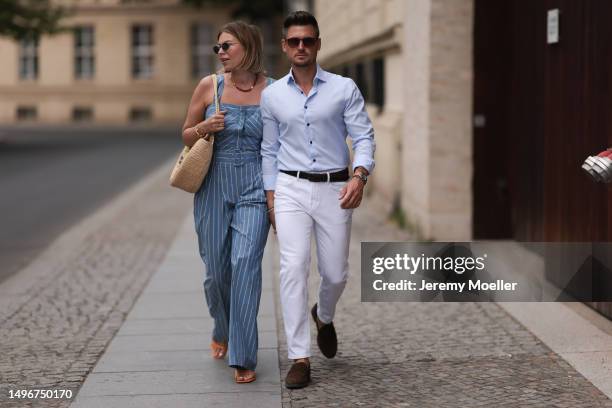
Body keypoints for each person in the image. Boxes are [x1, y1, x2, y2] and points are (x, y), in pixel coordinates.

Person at [260, 11, 375, 389]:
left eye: (308, 40)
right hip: (291, 188)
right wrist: (272, 198)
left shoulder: (344, 88)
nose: (301, 47)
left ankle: (323, 315)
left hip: (334, 189)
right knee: (292, 268)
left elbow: (363, 138)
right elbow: (269, 151)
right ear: (284, 46)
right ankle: (300, 357)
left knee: (336, 273)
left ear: (318, 44)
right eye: (294, 41)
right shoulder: (272, 95)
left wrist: (360, 176)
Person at [181, 21, 272, 384]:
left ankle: (243, 354)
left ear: (247, 47)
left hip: (254, 186)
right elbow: (185, 134)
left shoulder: (275, 90)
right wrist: (206, 128)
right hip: (213, 187)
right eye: (217, 47)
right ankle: (221, 326)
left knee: (246, 265)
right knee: (217, 272)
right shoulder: (209, 85)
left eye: (226, 46)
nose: (219, 52)